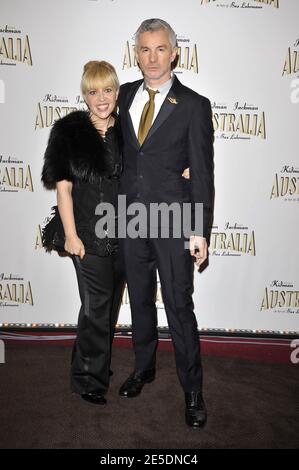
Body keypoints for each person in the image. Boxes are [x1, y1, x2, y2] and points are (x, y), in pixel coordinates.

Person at [118, 19, 214, 428]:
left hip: (175, 221)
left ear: (175, 52)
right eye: (144, 49)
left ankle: (193, 391)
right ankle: (144, 367)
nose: (152, 58)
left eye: (160, 49)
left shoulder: (194, 105)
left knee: (178, 305)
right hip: (129, 218)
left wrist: (199, 230)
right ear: (135, 53)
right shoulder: (120, 96)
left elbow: (203, 174)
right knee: (139, 300)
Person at [41, 60, 124, 405]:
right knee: (95, 307)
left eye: (107, 90)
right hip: (85, 232)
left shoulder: (127, 130)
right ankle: (88, 379)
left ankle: (94, 361)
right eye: (93, 91)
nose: (101, 98)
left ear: (117, 92)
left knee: (111, 305)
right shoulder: (69, 131)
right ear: (85, 95)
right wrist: (72, 237)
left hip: (123, 233)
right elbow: (63, 190)